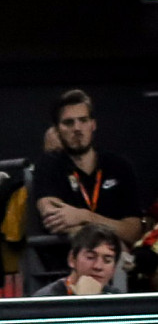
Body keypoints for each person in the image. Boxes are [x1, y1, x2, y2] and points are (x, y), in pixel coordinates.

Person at [32, 88, 142, 251]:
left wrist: (84, 216)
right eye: (68, 123)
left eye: (83, 120)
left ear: (93, 124)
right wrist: (112, 243)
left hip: (117, 262)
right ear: (57, 129)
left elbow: (133, 231)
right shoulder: (49, 165)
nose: (77, 128)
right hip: (70, 259)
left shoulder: (118, 166)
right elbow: (54, 219)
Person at [32, 223, 122, 296]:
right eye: (90, 257)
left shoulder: (118, 300)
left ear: (114, 269)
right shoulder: (46, 299)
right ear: (72, 259)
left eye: (107, 261)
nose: (98, 266)